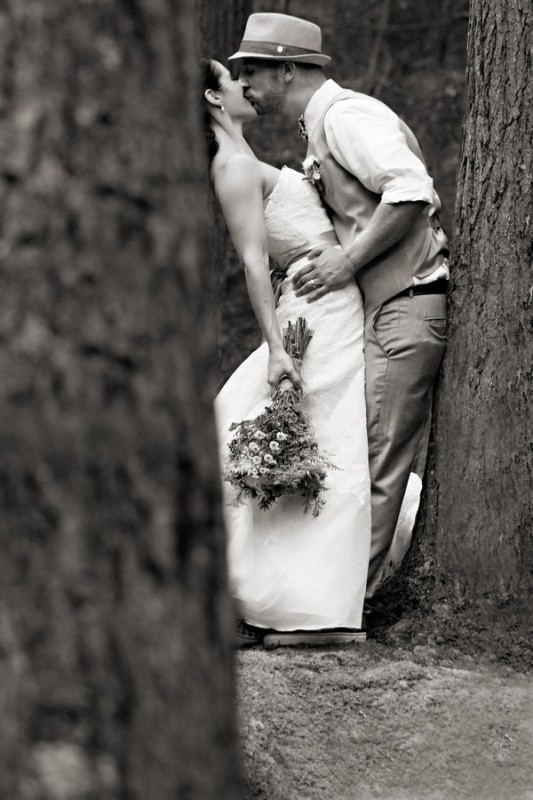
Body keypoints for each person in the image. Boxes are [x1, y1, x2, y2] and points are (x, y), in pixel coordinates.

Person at [229, 13, 449, 603]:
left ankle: (354, 603)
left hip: (407, 304)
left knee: (378, 459)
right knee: (364, 448)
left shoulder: (347, 116)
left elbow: (410, 188)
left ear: (289, 69)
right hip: (384, 308)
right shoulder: (321, 125)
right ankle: (344, 594)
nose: (244, 82)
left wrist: (346, 263)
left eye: (253, 70)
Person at [201, 58, 371, 647]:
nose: (245, 85)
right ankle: (308, 610)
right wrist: (276, 348)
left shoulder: (245, 160)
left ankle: (308, 598)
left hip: (326, 298)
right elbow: (253, 260)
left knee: (324, 435)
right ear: (213, 98)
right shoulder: (232, 168)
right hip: (316, 311)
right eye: (232, 79)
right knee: (326, 436)